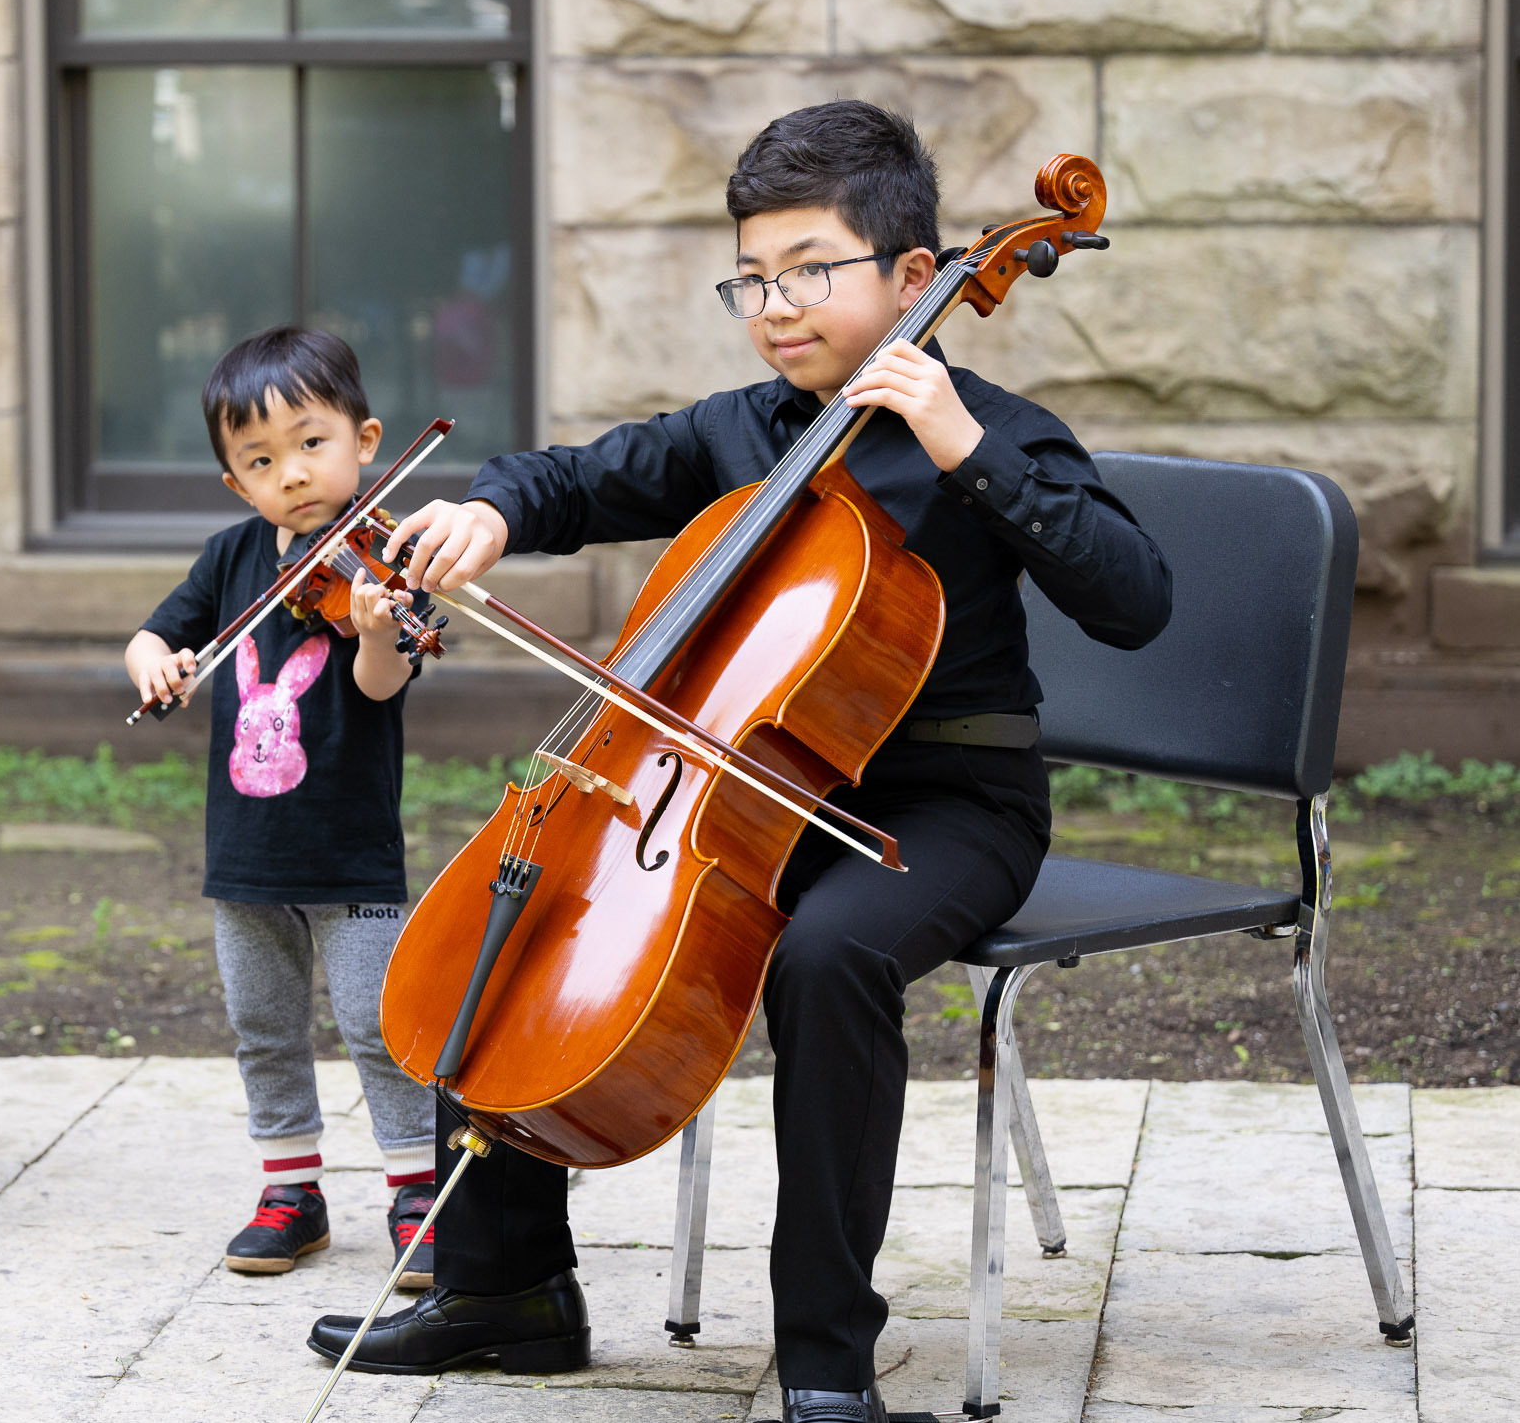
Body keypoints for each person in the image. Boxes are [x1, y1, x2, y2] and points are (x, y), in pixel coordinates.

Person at [306, 102, 1172, 1423]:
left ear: (912, 272)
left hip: (944, 804)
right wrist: (490, 507)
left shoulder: (996, 427)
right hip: (748, 792)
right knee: (522, 882)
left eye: (808, 271)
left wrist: (964, 447)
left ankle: (825, 1356)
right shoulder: (741, 430)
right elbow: (584, 477)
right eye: (751, 278)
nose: (773, 305)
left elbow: (1133, 597)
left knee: (831, 956)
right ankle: (503, 1290)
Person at [125, 327, 438, 1289]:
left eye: (312, 443)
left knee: (379, 1026)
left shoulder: (388, 559)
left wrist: (376, 630)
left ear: (366, 439)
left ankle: (419, 1193)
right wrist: (153, 658)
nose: (293, 473)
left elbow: (381, 686)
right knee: (261, 1025)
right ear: (236, 483)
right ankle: (291, 1192)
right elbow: (154, 635)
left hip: (353, 854)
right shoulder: (231, 559)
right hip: (249, 855)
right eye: (261, 460)